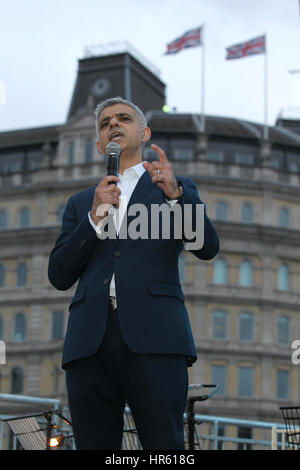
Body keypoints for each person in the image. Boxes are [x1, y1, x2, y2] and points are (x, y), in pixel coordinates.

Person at [48, 96, 219, 450]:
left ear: (143, 132)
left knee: (163, 445)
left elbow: (206, 247)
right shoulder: (81, 202)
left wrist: (175, 196)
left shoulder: (171, 187)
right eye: (105, 122)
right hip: (89, 343)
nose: (113, 124)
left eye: (123, 118)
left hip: (156, 337)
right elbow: (59, 274)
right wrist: (94, 218)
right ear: (98, 143)